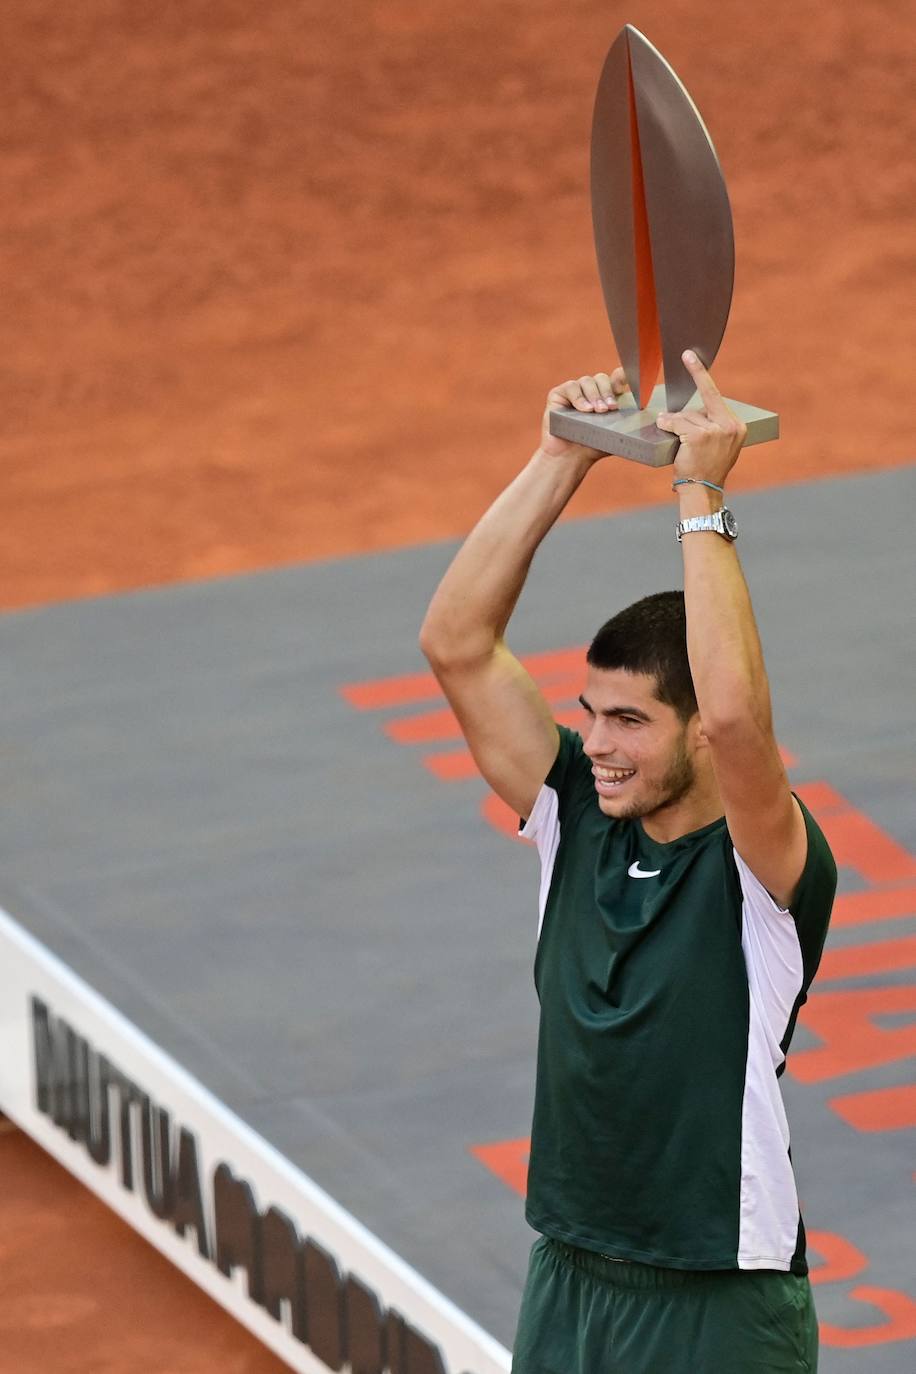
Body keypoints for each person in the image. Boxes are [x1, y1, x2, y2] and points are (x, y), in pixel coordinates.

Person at [419, 350, 837, 1374]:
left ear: (695, 735)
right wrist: (562, 455)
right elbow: (457, 642)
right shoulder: (573, 815)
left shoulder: (763, 874)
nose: (596, 743)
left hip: (720, 1296)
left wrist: (700, 494)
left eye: (629, 721)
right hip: (569, 1270)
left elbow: (739, 715)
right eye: (588, 715)